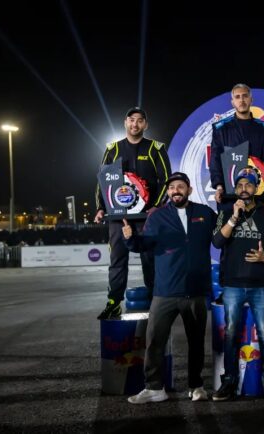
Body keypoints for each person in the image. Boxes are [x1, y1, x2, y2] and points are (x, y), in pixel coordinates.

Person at [122, 172, 216, 404]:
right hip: (165, 291)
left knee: (196, 342)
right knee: (155, 340)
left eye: (180, 186)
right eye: (172, 187)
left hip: (195, 290)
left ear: (189, 190)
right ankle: (155, 388)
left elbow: (223, 234)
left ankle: (196, 386)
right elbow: (143, 245)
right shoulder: (158, 216)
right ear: (168, 192)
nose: (176, 191)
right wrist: (130, 238)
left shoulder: (205, 213)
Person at [211, 166, 264, 402]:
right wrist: (234, 217)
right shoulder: (225, 212)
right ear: (235, 189)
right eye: (240, 185)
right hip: (232, 285)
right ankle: (229, 382)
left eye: (249, 184)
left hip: (260, 285)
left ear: (256, 188)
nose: (244, 189)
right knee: (231, 333)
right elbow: (217, 241)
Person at [95, 107, 171, 320]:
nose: (135, 124)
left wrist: (157, 206)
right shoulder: (113, 149)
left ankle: (157, 303)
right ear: (125, 123)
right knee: (117, 261)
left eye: (139, 120)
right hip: (118, 218)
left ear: (145, 124)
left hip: (147, 218)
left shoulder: (155, 148)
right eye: (131, 120)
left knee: (151, 261)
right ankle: (114, 303)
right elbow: (103, 181)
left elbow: (166, 179)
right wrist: (101, 208)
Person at [209, 83, 264, 207]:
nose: (241, 100)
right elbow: (215, 160)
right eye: (237, 97)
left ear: (251, 100)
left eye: (245, 96)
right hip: (229, 195)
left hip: (259, 194)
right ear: (232, 102)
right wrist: (219, 186)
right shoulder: (221, 129)